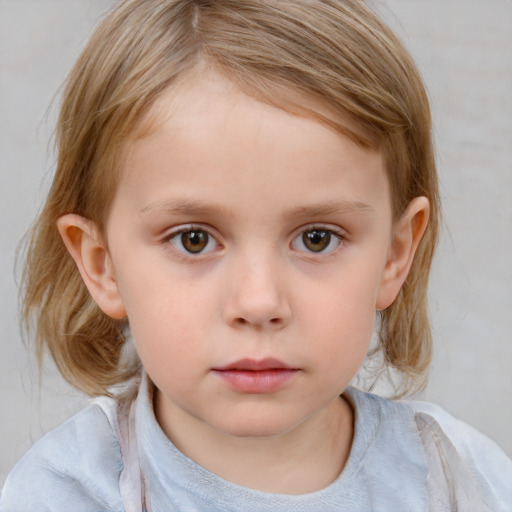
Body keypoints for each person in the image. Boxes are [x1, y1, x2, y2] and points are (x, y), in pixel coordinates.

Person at [1, 0, 511, 510]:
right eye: (193, 239)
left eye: (317, 238)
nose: (259, 301)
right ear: (101, 263)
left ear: (395, 255)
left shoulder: (457, 480)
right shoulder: (67, 493)